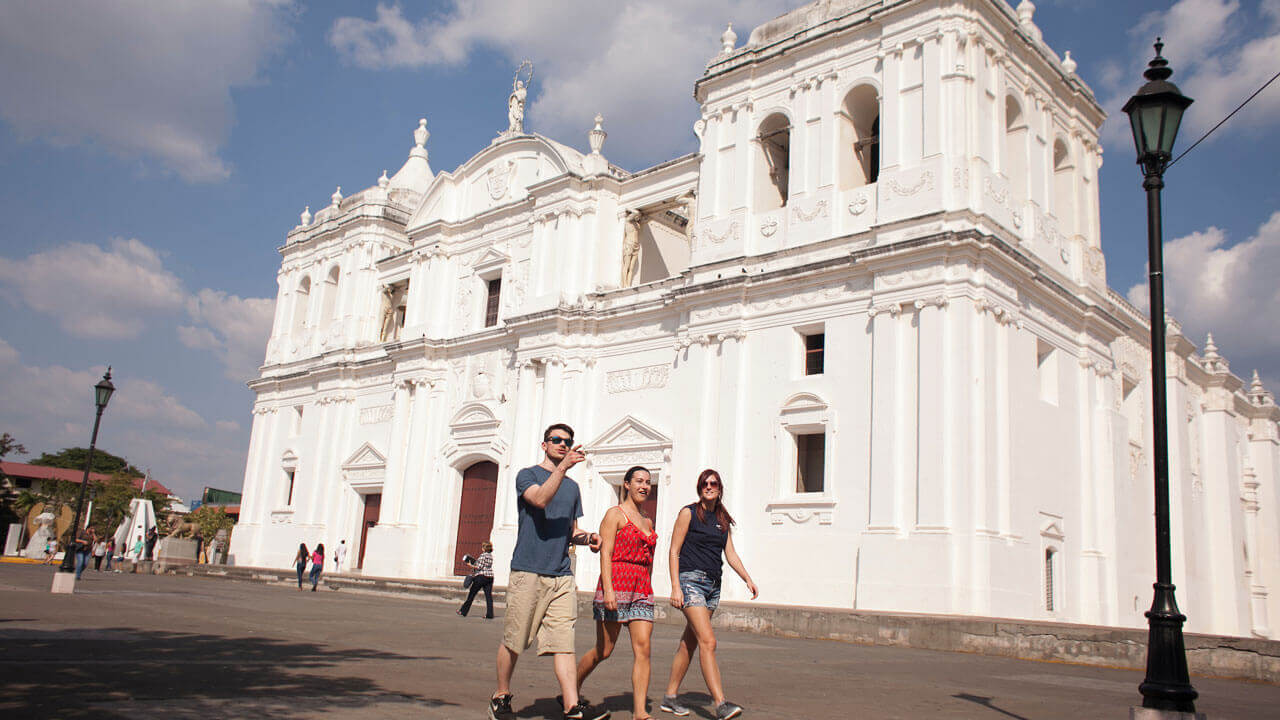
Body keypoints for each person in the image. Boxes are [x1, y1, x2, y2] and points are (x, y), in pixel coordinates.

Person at [489, 423, 609, 720]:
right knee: (515, 639)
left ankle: (571, 706)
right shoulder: (527, 475)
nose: (563, 445)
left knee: (563, 642)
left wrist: (589, 538)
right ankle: (500, 695)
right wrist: (563, 469)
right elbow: (539, 499)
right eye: (556, 440)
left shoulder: (572, 488)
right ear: (544, 445)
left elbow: (570, 531)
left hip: (561, 574)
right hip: (528, 570)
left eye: (567, 441)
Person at [661, 469, 758, 720]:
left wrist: (747, 578)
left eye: (713, 483)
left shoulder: (722, 518)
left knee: (690, 642)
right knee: (708, 641)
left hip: (713, 586)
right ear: (699, 487)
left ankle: (670, 697)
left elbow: (730, 553)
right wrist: (675, 587)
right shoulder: (688, 513)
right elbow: (674, 551)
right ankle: (720, 703)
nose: (709, 486)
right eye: (705, 483)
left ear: (719, 488)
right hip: (691, 581)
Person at [576, 466, 659, 720]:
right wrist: (608, 590)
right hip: (616, 584)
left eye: (647, 482)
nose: (644, 486)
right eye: (639, 481)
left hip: (641, 588)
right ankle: (571, 689)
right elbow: (606, 553)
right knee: (604, 650)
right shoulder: (614, 514)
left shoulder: (648, 521)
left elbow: (650, 558)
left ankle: (640, 712)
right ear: (626, 484)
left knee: (643, 648)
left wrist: (649, 585)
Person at [458, 541, 495, 619]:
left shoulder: (483, 555)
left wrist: (470, 565)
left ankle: (463, 611)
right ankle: (490, 614)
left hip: (481, 577)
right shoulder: (490, 556)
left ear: (484, 548)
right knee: (488, 596)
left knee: (472, 594)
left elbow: (479, 567)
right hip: (490, 577)